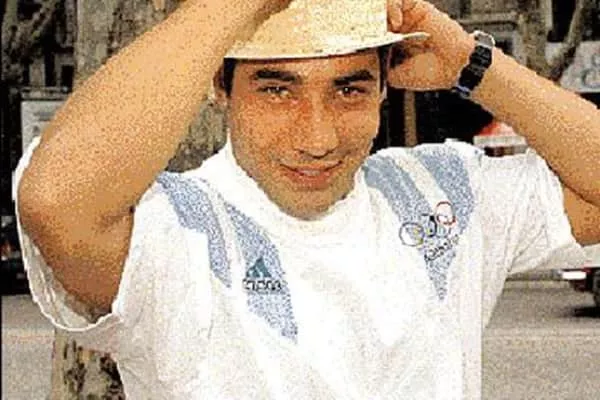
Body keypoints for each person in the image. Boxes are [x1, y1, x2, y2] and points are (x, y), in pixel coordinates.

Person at [14, 0, 600, 398]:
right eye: (277, 89)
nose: (317, 138)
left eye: (349, 90)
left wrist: (474, 66)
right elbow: (54, 205)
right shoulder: (176, 227)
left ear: (385, 86)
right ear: (219, 86)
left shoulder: (442, 193)